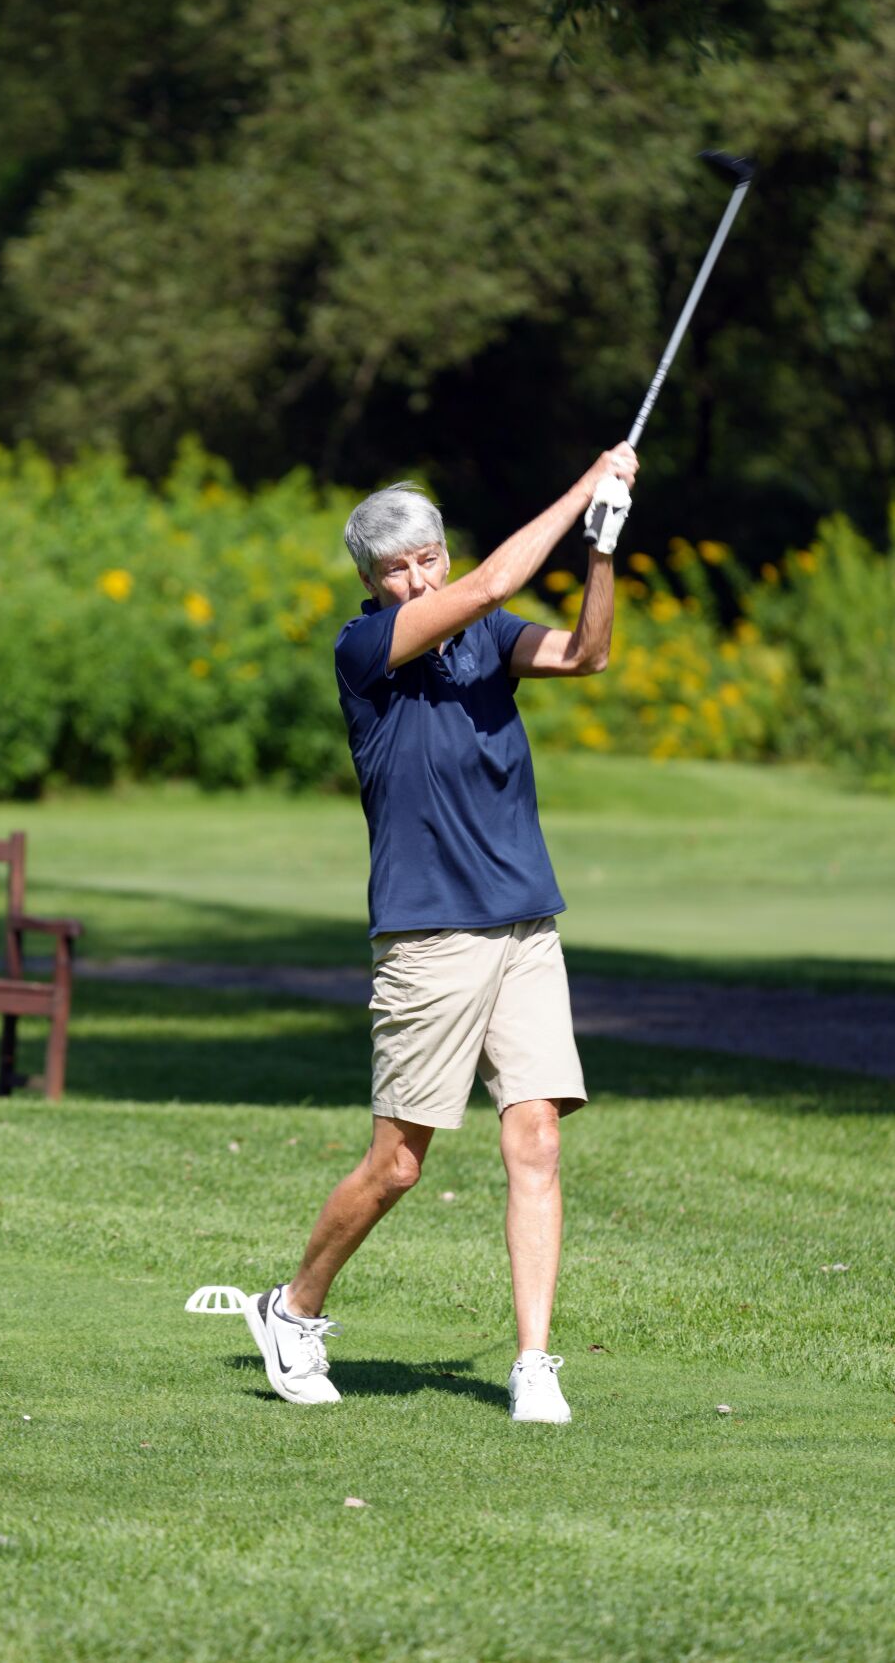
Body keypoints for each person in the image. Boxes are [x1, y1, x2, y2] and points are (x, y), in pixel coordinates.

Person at [244, 443, 638, 1423]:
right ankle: (292, 1307)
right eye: (397, 568)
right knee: (399, 1160)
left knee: (535, 1134)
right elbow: (495, 577)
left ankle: (534, 1360)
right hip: (428, 935)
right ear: (373, 585)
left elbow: (585, 653)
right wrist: (584, 482)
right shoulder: (364, 649)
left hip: (522, 923)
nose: (418, 575)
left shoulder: (487, 635)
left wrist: (602, 545)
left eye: (428, 557)